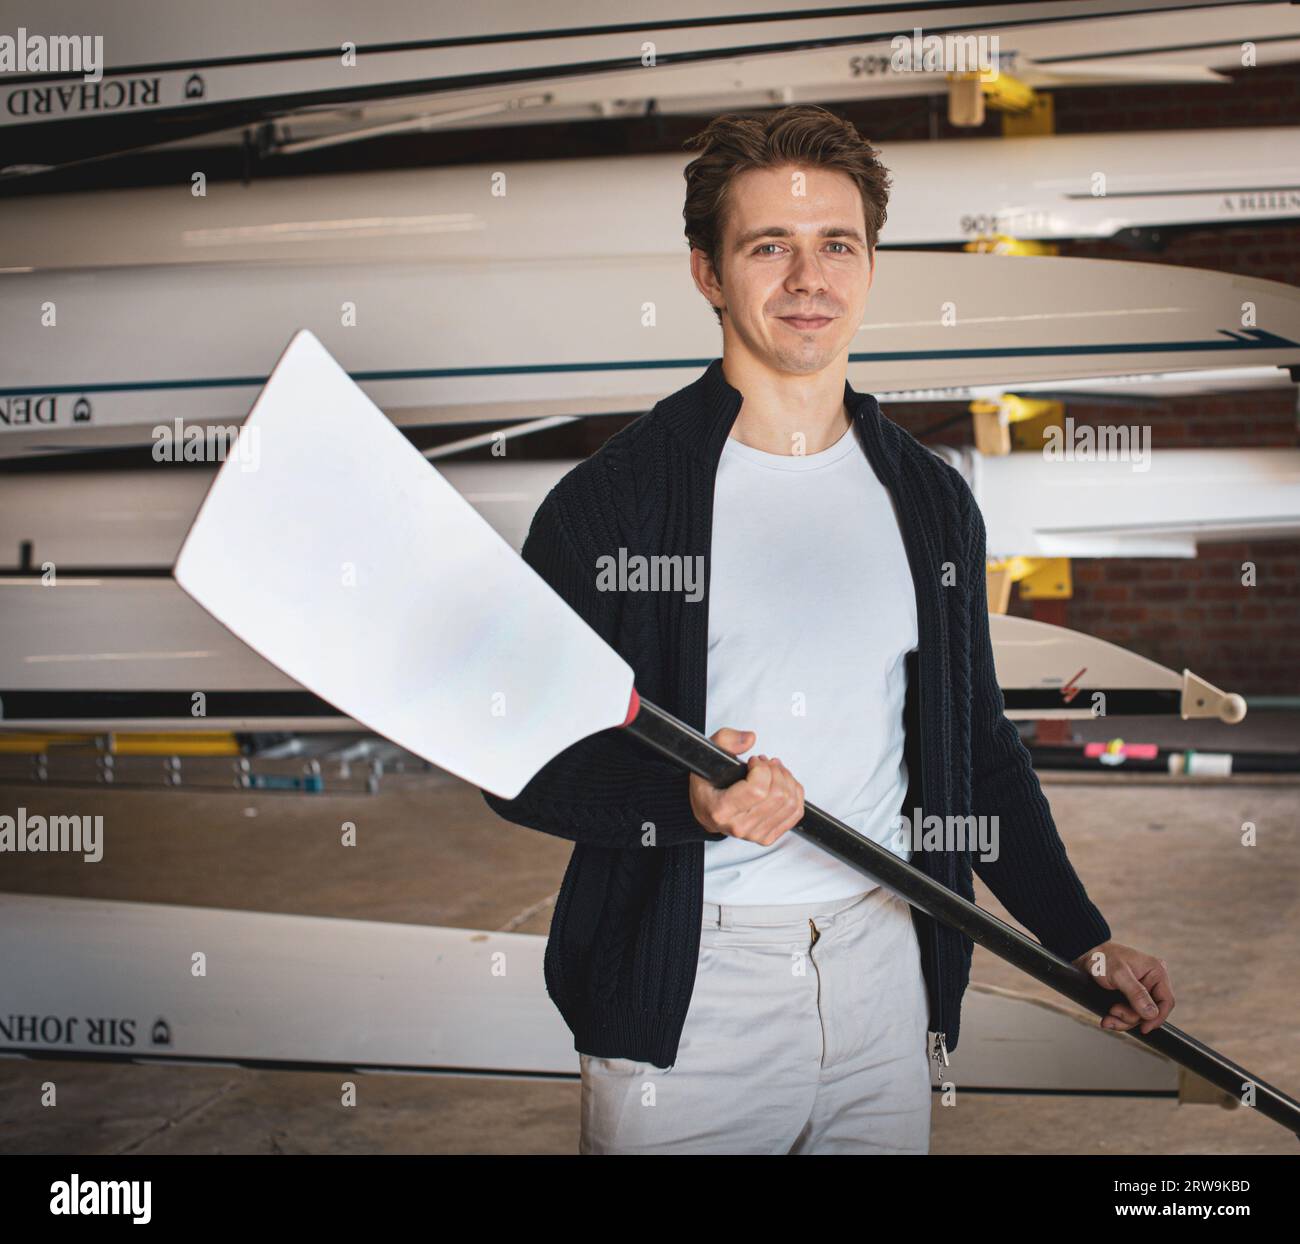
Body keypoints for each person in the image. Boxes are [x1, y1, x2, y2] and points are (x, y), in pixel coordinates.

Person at [482, 104, 1174, 1154]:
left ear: (868, 266)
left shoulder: (929, 499)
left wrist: (1081, 937)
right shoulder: (612, 504)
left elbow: (977, 750)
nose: (808, 278)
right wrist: (690, 798)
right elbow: (515, 759)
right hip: (693, 995)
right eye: (769, 246)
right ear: (707, 275)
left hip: (884, 973)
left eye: (835, 246)